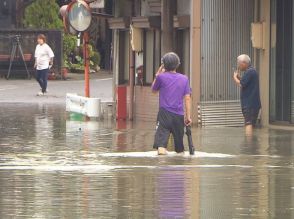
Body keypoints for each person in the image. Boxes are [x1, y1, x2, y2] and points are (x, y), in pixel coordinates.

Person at [152, 52, 192, 155]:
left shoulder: (161, 77)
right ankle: (179, 168)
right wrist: (188, 117)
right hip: (179, 115)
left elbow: (153, 90)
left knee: (161, 146)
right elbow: (187, 98)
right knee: (180, 149)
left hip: (164, 114)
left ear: (164, 65)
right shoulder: (184, 79)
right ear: (178, 64)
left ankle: (162, 168)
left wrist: (157, 74)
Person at [233, 54, 261, 136]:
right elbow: (246, 83)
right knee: (251, 124)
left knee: (248, 123)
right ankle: (252, 144)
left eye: (239, 63)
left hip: (250, 104)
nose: (238, 66)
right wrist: (239, 78)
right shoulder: (252, 71)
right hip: (253, 104)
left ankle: (249, 145)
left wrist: (235, 77)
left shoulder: (249, 72)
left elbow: (241, 84)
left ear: (244, 63)